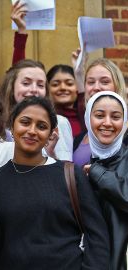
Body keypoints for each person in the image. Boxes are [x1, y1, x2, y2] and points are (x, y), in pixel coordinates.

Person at [0, 96, 109, 269]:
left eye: (41, 126)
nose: (32, 130)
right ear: (12, 127)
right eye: (25, 122)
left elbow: (97, 236)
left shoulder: (70, 174)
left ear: (51, 134)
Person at [84, 91, 128, 270]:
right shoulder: (88, 164)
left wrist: (98, 174)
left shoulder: (93, 169)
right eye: (99, 115)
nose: (107, 123)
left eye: (116, 117)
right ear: (88, 118)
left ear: (124, 122)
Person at [2, 59, 73, 161]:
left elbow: (66, 170)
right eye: (26, 83)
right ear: (12, 87)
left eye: (40, 85)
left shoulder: (59, 123)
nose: (34, 89)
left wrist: (50, 153)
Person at [73, 58, 127, 167]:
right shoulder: (79, 138)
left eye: (105, 82)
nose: (96, 87)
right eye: (91, 82)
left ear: (117, 86)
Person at [47, 64, 85, 137]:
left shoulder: (87, 118)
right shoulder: (44, 118)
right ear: (47, 88)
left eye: (69, 84)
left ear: (77, 88)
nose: (63, 88)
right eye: (55, 84)